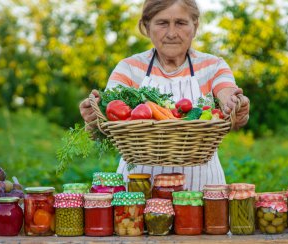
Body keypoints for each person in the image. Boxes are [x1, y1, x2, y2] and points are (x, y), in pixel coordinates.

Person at [79, 0, 250, 191]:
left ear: (195, 26)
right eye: (162, 23)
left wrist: (235, 105)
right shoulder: (129, 68)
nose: (171, 33)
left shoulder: (213, 66)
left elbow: (227, 96)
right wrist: (93, 119)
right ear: (146, 26)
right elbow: (103, 123)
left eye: (181, 23)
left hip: (203, 189)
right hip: (138, 189)